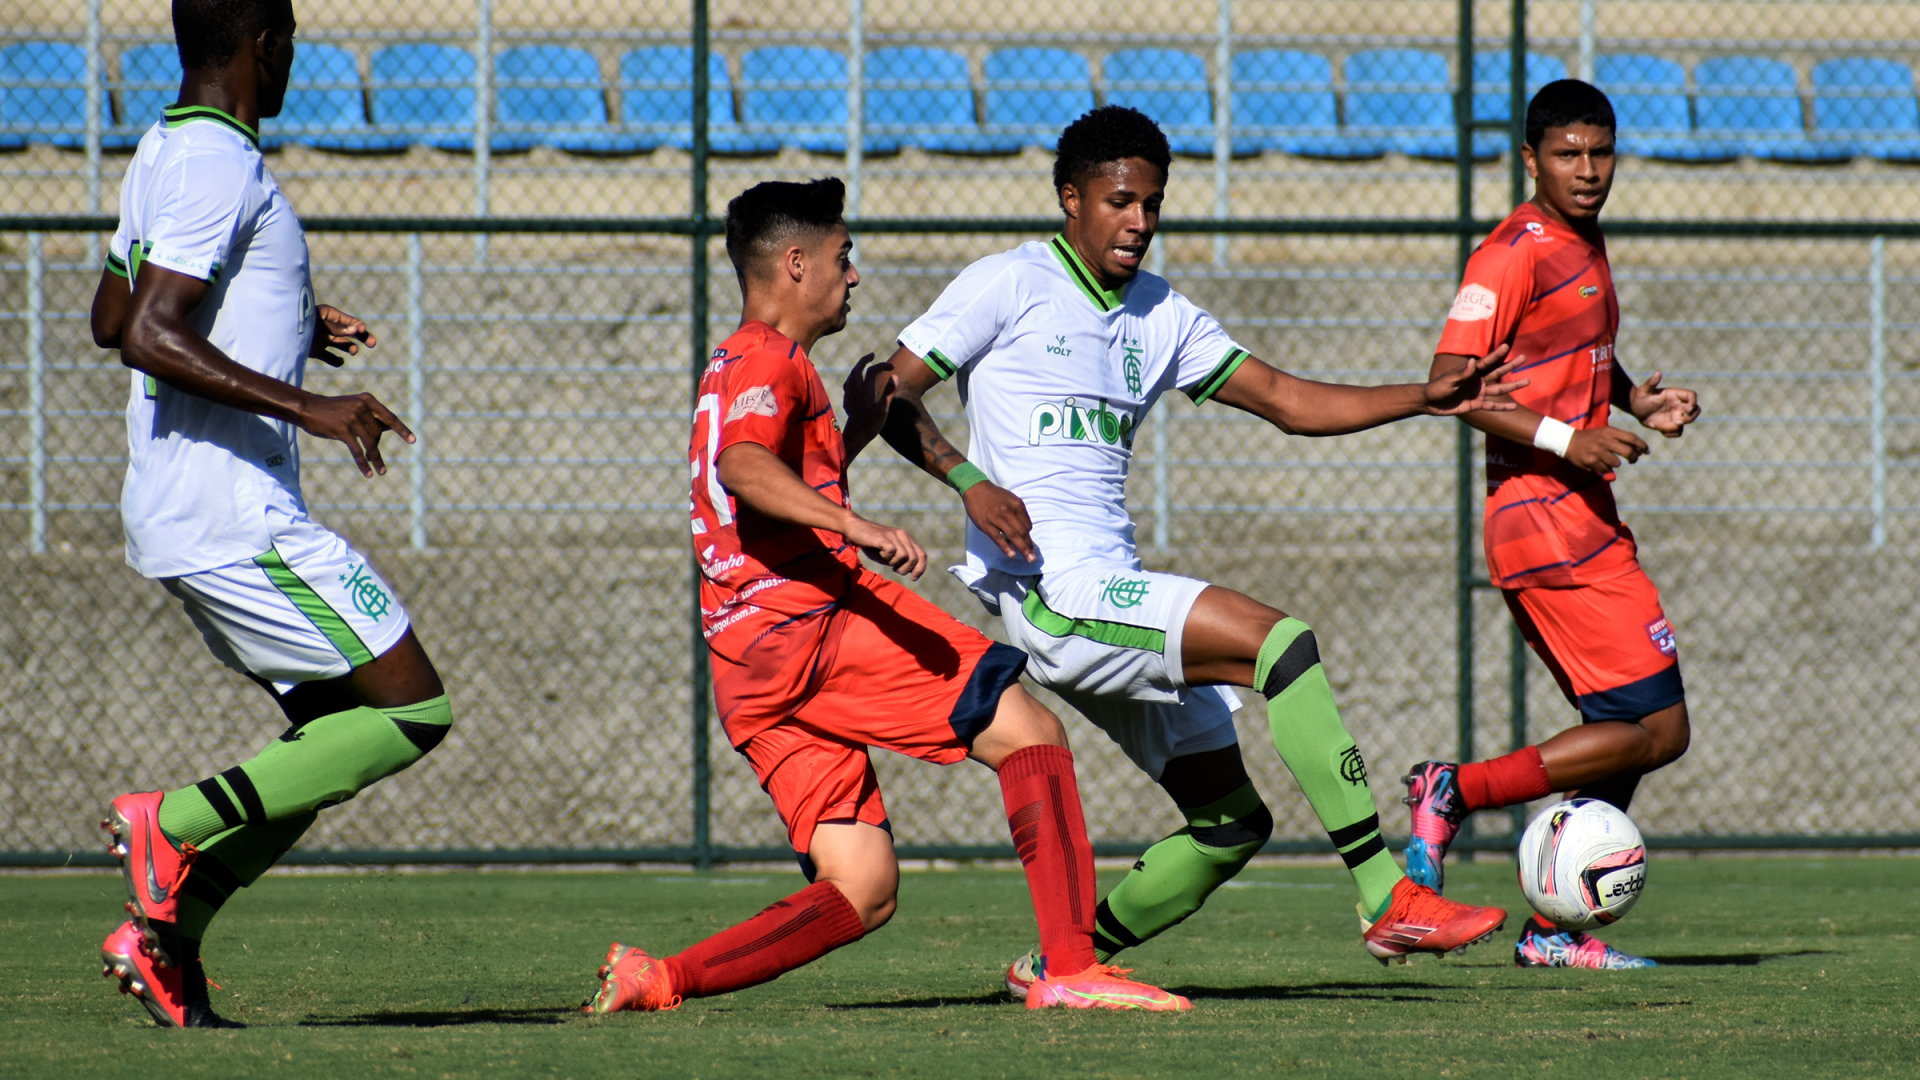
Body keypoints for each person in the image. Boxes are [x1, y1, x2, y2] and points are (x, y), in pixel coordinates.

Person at [877, 106, 1519, 991]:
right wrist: (966, 479)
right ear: (1073, 199)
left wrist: (1423, 394)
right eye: (1119, 201)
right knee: (1281, 644)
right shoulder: (1008, 284)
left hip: (1112, 588)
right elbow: (883, 387)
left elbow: (1288, 401)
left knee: (1229, 823)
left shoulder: (1161, 313)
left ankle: (1060, 964)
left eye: (1153, 203)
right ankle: (1386, 893)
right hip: (1055, 589)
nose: (1139, 222)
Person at [585, 178, 1187, 1014]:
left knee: (862, 886)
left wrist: (853, 432)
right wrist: (856, 526)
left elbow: (768, 470)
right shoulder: (768, 358)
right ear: (795, 264)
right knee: (1029, 732)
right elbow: (744, 470)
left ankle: (664, 977)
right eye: (842, 257)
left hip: (747, 667)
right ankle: (1070, 967)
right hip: (812, 623)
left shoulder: (743, 361)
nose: (854, 275)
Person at [87, 0, 449, 1027]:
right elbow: (148, 332)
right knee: (413, 710)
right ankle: (173, 821)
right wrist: (311, 404)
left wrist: (290, 317)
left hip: (187, 506)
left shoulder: (164, 146)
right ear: (266, 45)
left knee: (328, 743)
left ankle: (164, 944)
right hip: (233, 512)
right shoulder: (218, 164)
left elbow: (112, 310)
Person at [1399, 79, 1702, 970]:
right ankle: (1453, 791)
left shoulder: (1583, 238)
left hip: (1580, 509)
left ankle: (1552, 930)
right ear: (1528, 159)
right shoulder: (1511, 252)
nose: (1587, 171)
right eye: (1567, 155)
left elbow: (1565, 358)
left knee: (1636, 734)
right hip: (1541, 515)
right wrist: (1573, 438)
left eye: (1599, 153)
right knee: (1658, 727)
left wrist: (1636, 398)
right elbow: (1451, 385)